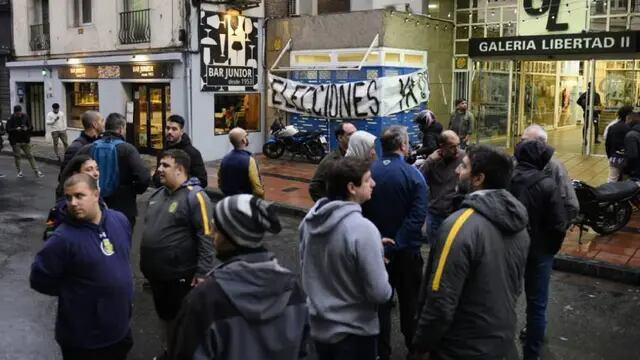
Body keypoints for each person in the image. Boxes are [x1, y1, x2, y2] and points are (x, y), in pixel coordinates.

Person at [412, 145, 530, 360]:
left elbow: (440, 298)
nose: (457, 171)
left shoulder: (458, 226)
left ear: (478, 179)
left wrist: (422, 345)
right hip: (500, 341)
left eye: (464, 167)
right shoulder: (519, 225)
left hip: (460, 348)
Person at [170, 194, 308, 360]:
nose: (212, 233)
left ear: (232, 237)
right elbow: (303, 349)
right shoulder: (294, 289)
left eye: (217, 228)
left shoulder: (205, 299)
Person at [30, 174, 134, 360]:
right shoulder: (62, 239)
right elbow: (39, 279)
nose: (73, 203)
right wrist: (76, 292)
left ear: (96, 194)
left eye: (79, 196)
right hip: (85, 342)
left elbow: (123, 257)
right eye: (68, 198)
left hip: (120, 331)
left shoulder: (119, 220)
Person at [300, 156, 392, 360]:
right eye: (368, 179)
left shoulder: (309, 221)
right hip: (355, 335)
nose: (373, 184)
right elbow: (380, 293)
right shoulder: (364, 229)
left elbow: (309, 264)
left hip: (318, 329)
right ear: (352, 187)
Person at [140, 149, 215, 360]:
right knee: (165, 317)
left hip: (180, 275)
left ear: (180, 169)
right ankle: (169, 351)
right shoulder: (157, 195)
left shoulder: (195, 196)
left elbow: (206, 236)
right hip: (157, 276)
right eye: (159, 165)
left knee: (181, 321)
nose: (159, 170)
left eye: (165, 166)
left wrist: (202, 273)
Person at [361, 125, 428, 360]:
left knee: (379, 306)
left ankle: (382, 352)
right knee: (410, 305)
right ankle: (413, 347)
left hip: (375, 252)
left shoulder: (368, 173)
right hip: (406, 253)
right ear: (403, 145)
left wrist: (383, 246)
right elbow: (417, 217)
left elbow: (361, 212)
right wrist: (396, 244)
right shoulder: (414, 175)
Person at [510, 140, 568, 360]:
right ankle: (531, 354)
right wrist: (549, 250)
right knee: (537, 306)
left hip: (510, 250)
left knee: (505, 299)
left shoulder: (506, 178)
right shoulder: (547, 185)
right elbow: (558, 225)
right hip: (538, 252)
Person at [77, 112, 150, 227]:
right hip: (123, 208)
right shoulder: (127, 149)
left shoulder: (88, 148)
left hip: (94, 206)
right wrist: (132, 191)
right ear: (121, 130)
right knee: (121, 242)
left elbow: (74, 174)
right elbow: (144, 177)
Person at [521, 124, 580, 222]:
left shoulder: (554, 167)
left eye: (525, 141)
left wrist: (560, 227)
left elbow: (571, 203)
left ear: (540, 144)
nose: (521, 144)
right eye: (522, 140)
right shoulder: (515, 162)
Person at [420, 130, 464, 243]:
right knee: (435, 250)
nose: (456, 150)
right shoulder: (432, 161)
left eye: (458, 145)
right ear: (442, 146)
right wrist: (429, 162)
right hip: (435, 214)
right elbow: (418, 180)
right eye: (452, 147)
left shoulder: (463, 158)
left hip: (455, 214)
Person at [45, 155, 101, 240]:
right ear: (76, 174)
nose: (96, 173)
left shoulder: (96, 195)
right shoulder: (62, 209)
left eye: (97, 169)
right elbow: (49, 236)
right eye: (89, 170)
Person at [152, 114, 208, 188]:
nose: (169, 132)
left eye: (174, 129)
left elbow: (202, 180)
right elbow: (157, 176)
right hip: (165, 195)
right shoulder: (163, 152)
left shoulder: (192, 153)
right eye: (168, 128)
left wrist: (178, 182)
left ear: (181, 131)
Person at [309, 122, 357, 201]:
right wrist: (330, 206)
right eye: (350, 134)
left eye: (356, 133)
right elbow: (314, 187)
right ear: (340, 138)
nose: (355, 137)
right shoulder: (330, 160)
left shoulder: (358, 155)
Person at [218, 127, 264, 198]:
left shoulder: (224, 159)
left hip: (228, 200)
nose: (247, 138)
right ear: (243, 140)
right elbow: (258, 190)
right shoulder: (249, 160)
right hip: (245, 202)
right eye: (245, 136)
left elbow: (220, 182)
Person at [6, 105, 43, 177]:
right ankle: (19, 171)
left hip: (25, 140)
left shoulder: (25, 116)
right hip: (15, 141)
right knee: (17, 156)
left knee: (30, 155)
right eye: (17, 113)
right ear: (14, 112)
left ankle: (37, 171)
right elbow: (8, 130)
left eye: (19, 112)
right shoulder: (10, 118)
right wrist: (16, 129)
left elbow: (31, 127)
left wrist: (27, 128)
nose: (19, 114)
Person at [605, 106, 633, 182]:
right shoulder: (630, 128)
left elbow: (607, 143)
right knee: (625, 180)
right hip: (626, 159)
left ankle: (609, 192)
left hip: (614, 157)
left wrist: (610, 155)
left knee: (612, 179)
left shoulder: (612, 126)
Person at [624, 112, 640, 180]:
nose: (625, 122)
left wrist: (626, 171)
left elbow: (632, 156)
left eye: (626, 120)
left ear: (630, 120)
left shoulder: (631, 135)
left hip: (636, 173)